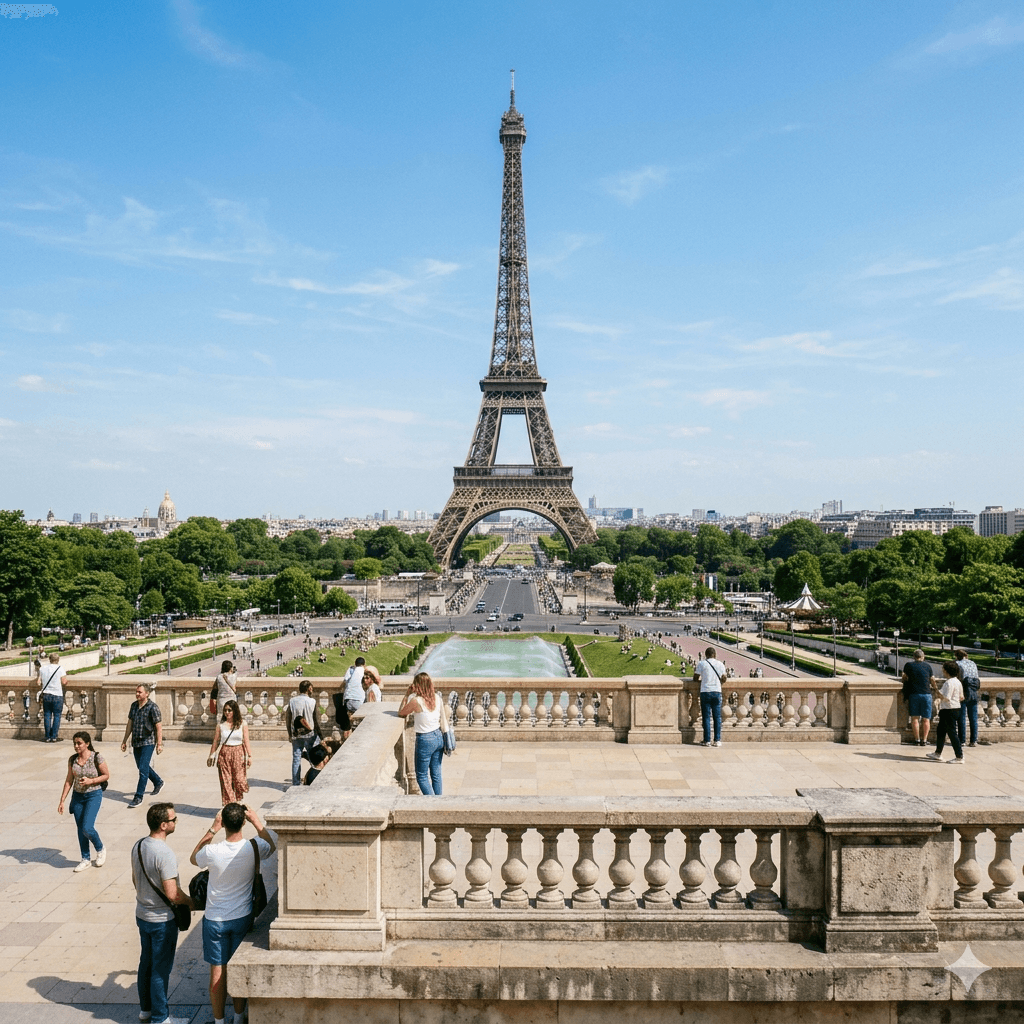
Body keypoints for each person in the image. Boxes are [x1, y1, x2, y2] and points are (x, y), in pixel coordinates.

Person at [190, 803, 277, 1024]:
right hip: (242, 917)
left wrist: (212, 828)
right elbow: (271, 845)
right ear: (243, 823)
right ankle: (239, 1017)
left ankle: (219, 1021)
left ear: (224, 824)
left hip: (215, 919)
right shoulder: (254, 847)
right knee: (237, 970)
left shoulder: (213, 851)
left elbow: (194, 857)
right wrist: (257, 821)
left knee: (217, 972)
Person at [132, 802, 191, 1024]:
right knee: (160, 969)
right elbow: (172, 893)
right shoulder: (164, 853)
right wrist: (191, 902)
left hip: (142, 914)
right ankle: (160, 1018)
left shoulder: (138, 845)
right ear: (164, 825)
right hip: (161, 920)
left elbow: (134, 879)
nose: (177, 821)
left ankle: (145, 1010)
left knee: (145, 963)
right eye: (174, 819)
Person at [58, 730, 110, 871]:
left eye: (79, 743)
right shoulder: (72, 759)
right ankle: (85, 858)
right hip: (78, 796)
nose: (76, 746)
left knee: (87, 827)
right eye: (74, 743)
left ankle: (100, 848)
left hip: (93, 795)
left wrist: (91, 781)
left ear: (87, 744)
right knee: (81, 829)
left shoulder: (96, 757)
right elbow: (69, 780)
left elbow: (106, 775)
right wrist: (62, 800)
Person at [398, 671, 445, 795]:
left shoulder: (416, 701)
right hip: (438, 736)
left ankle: (432, 804)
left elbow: (401, 712)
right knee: (436, 773)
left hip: (425, 739)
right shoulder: (437, 697)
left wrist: (407, 694)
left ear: (417, 685)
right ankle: (439, 801)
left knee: (422, 776)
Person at [121, 683, 165, 808]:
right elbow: (129, 724)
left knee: (143, 770)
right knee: (142, 767)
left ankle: (138, 796)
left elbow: (158, 726)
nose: (137, 694)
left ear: (147, 694)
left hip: (148, 742)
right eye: (136, 692)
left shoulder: (153, 707)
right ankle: (158, 782)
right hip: (136, 742)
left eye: (140, 692)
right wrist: (124, 740)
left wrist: (159, 744)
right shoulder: (134, 706)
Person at [208, 700, 252, 805]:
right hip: (224, 753)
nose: (227, 712)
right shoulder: (221, 725)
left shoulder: (242, 724)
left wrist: (249, 756)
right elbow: (216, 741)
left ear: (235, 711)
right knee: (226, 780)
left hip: (238, 752)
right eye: (225, 710)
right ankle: (230, 804)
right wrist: (212, 754)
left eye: (229, 710)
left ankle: (239, 799)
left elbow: (246, 740)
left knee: (239, 779)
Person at [926, 661, 965, 764]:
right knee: (941, 731)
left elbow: (944, 697)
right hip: (956, 708)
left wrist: (935, 688)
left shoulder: (949, 683)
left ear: (946, 671)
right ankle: (937, 753)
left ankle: (959, 756)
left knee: (952, 733)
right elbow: (962, 697)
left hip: (948, 709)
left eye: (943, 669)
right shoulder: (958, 682)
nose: (942, 670)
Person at [693, 646, 726, 747]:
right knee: (717, 717)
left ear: (706, 655)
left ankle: (707, 740)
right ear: (715, 655)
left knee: (706, 717)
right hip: (717, 691)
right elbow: (724, 678)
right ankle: (717, 740)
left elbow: (695, 678)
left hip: (705, 691)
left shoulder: (702, 663)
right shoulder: (720, 664)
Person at [902, 649, 936, 747]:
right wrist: (935, 689)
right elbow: (932, 680)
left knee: (914, 718)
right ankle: (924, 740)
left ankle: (917, 740)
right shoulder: (928, 666)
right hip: (926, 694)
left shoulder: (909, 665)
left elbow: (904, 677)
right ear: (923, 657)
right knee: (926, 719)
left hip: (914, 694)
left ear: (914, 657)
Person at [287, 681, 318, 786]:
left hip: (296, 734)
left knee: (296, 758)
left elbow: (288, 718)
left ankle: (295, 783)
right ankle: (314, 778)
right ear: (309, 688)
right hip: (310, 734)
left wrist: (290, 734)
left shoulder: (292, 701)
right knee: (313, 757)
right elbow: (315, 720)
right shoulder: (312, 701)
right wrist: (320, 735)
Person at [954, 648, 981, 748]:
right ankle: (974, 740)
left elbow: (958, 679)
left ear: (957, 656)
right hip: (973, 692)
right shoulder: (973, 663)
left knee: (961, 717)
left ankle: (962, 741)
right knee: (973, 718)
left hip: (963, 692)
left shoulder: (958, 664)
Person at [39, 652, 67, 742]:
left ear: (49, 659)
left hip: (46, 694)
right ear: (58, 660)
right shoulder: (60, 668)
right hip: (57, 695)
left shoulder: (42, 668)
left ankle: (47, 737)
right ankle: (54, 736)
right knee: (57, 716)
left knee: (47, 715)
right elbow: (64, 682)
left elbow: (38, 682)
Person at [338, 657, 366, 739]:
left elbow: (345, 680)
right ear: (364, 664)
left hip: (348, 700)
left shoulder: (351, 669)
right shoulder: (364, 670)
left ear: (355, 663)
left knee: (350, 723)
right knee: (362, 722)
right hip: (358, 699)